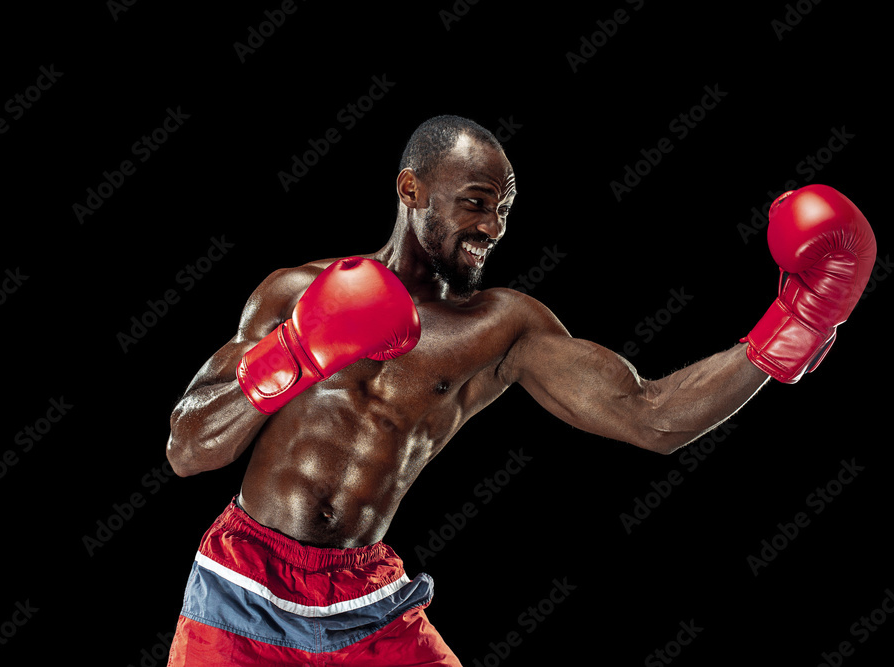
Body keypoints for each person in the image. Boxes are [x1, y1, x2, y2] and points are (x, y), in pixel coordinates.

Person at [163, 115, 876, 666]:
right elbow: (187, 449)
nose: (491, 227)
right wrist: (294, 349)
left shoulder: (501, 326)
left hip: (363, 602)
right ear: (410, 188)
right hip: (240, 584)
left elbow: (651, 416)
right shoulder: (293, 291)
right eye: (475, 203)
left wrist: (793, 326)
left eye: (502, 211)